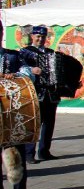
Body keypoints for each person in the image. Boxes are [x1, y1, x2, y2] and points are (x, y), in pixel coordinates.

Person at [0, 20, 37, 189]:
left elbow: (28, 72)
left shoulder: (13, 56)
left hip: (13, 112)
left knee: (17, 155)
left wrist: (15, 75)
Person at [20, 25, 60, 163]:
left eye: (43, 37)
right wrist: (32, 69)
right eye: (38, 37)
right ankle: (29, 154)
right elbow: (20, 67)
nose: (40, 39)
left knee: (49, 123)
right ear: (32, 37)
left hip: (51, 93)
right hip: (36, 92)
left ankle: (44, 151)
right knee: (34, 124)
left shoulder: (51, 52)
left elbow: (58, 71)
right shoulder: (25, 52)